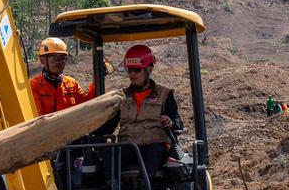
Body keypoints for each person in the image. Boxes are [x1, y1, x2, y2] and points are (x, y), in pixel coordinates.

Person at [111, 44, 184, 179]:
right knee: (110, 153)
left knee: (154, 150)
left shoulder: (165, 95)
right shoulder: (121, 97)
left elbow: (178, 123)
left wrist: (171, 122)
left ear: (149, 69)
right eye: (129, 70)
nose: (132, 74)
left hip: (154, 148)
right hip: (129, 147)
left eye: (137, 70)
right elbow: (108, 126)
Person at [29, 37, 94, 116]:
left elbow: (87, 104)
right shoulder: (34, 86)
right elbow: (37, 119)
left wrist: (96, 81)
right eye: (53, 57)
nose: (58, 62)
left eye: (62, 58)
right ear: (42, 60)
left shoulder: (72, 84)